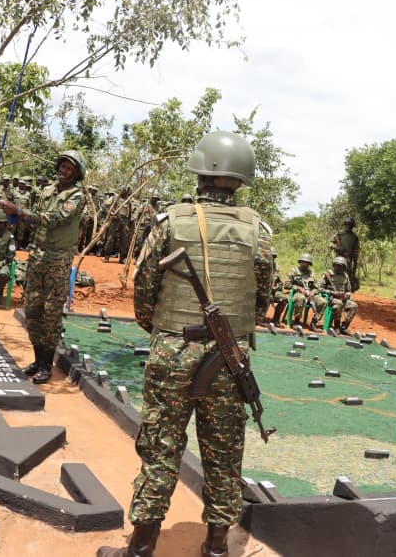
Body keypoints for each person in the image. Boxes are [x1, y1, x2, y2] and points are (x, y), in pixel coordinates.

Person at [97, 132, 272, 557]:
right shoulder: (259, 232)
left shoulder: (170, 221)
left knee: (160, 447)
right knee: (224, 452)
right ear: (240, 180)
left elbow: (145, 290)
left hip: (173, 350)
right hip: (230, 358)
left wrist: (163, 332)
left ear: (200, 172)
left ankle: (140, 547)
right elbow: (263, 302)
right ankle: (216, 548)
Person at [0, 150, 86, 385]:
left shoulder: (77, 196)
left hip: (58, 259)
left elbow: (53, 218)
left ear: (77, 173)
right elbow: (35, 217)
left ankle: (47, 364)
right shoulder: (47, 191)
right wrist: (14, 214)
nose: (63, 171)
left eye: (69, 169)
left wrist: (19, 210)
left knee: (51, 312)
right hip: (37, 255)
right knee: (33, 308)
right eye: (62, 167)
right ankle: (38, 360)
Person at [286, 253, 327, 330]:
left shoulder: (312, 273)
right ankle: (296, 321)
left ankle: (313, 323)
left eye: (307, 263)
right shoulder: (294, 271)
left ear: (309, 264)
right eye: (303, 262)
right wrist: (298, 288)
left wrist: (313, 292)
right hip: (298, 293)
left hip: (310, 295)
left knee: (323, 302)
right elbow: (287, 284)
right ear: (300, 262)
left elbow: (317, 287)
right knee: (300, 298)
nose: (305, 264)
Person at [321, 256, 358, 334]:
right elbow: (320, 288)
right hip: (331, 298)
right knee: (338, 304)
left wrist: (345, 295)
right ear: (334, 265)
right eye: (337, 265)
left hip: (342, 298)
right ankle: (336, 327)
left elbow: (348, 290)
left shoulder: (345, 276)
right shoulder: (328, 274)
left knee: (354, 306)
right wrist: (333, 293)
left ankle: (344, 327)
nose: (339, 268)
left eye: (341, 266)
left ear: (344, 267)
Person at [329, 217, 361, 290]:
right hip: (338, 259)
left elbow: (356, 251)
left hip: (348, 260)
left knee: (348, 277)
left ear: (352, 226)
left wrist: (355, 264)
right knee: (335, 274)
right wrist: (337, 248)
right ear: (345, 225)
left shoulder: (355, 237)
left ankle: (346, 293)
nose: (348, 226)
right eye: (347, 225)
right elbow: (330, 244)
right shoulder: (339, 234)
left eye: (350, 225)